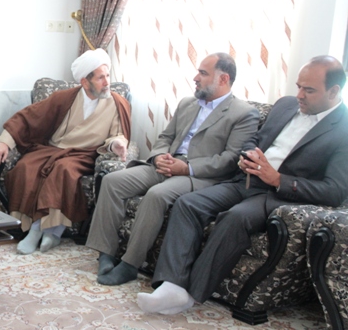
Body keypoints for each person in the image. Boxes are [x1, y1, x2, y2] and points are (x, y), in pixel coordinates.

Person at [137, 55, 348, 315]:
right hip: (245, 179)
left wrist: (278, 179)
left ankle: (191, 294)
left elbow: (335, 191)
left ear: (333, 91)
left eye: (309, 90)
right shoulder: (286, 105)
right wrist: (248, 156)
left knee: (235, 217)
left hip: (277, 195)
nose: (299, 95)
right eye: (298, 86)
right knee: (188, 204)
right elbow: (254, 140)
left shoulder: (344, 129)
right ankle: (171, 285)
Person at [86, 53, 259, 286]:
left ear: (223, 79)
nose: (195, 78)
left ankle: (129, 265)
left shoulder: (243, 113)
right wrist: (159, 156)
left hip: (200, 175)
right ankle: (106, 253)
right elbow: (166, 137)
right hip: (167, 164)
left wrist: (187, 168)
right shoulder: (187, 103)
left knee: (157, 195)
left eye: (203, 73)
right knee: (112, 181)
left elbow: (230, 159)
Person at [0, 48, 132, 255]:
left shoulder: (117, 103)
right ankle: (31, 227)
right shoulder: (64, 98)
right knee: (25, 167)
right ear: (85, 82)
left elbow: (117, 134)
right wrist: (5, 142)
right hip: (53, 149)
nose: (107, 82)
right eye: (100, 78)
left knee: (63, 170)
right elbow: (29, 117)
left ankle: (41, 231)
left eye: (107, 76)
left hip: (84, 154)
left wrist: (117, 144)